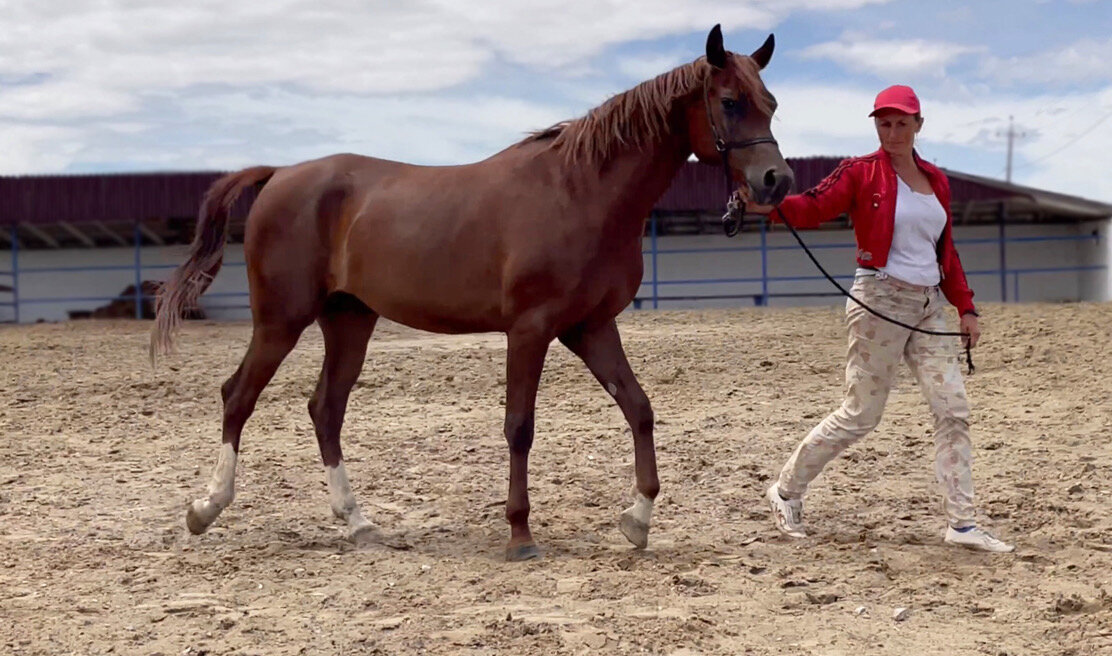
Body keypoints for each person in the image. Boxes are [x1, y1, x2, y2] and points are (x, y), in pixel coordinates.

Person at [750, 84, 1013, 552]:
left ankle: (962, 524)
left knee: (953, 410)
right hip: (879, 302)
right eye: (884, 123)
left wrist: (965, 306)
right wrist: (770, 206)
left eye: (901, 123)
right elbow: (813, 206)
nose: (892, 132)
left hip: (930, 306)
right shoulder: (860, 172)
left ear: (918, 125)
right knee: (861, 414)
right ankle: (786, 490)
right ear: (876, 125)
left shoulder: (936, 180)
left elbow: (944, 251)